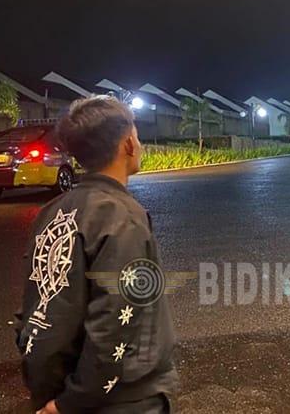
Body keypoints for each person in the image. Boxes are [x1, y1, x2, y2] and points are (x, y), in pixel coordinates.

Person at [15, 96, 178, 413]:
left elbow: (34, 303)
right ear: (128, 144)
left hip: (59, 386)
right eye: (136, 136)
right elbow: (116, 320)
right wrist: (71, 402)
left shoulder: (51, 212)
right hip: (121, 400)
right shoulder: (122, 217)